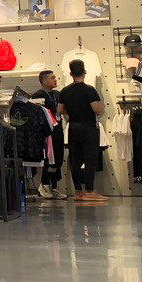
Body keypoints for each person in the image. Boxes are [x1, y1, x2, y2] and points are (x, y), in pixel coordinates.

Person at [57, 59, 106, 203]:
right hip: (88, 127)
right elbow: (97, 110)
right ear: (84, 72)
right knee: (90, 160)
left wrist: (71, 111)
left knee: (75, 160)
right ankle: (89, 191)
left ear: (70, 74)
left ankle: (78, 191)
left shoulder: (65, 91)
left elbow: (59, 110)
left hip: (73, 127)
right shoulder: (89, 90)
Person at [33, 69, 66, 200]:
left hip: (58, 129)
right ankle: (45, 184)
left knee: (58, 159)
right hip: (47, 132)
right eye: (52, 78)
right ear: (44, 81)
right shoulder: (37, 96)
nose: (55, 80)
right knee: (50, 159)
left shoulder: (58, 94)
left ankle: (53, 186)